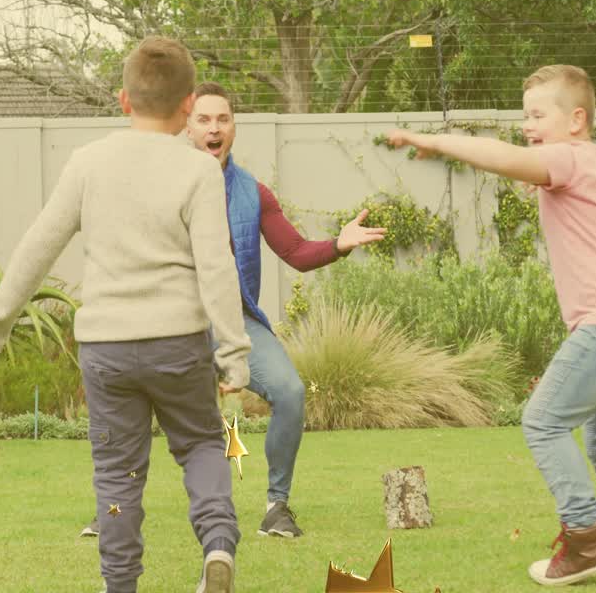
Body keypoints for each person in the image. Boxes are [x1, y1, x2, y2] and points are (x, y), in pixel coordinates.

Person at [0, 37, 252, 593]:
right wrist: (234, 353)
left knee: (118, 476)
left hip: (107, 350)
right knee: (200, 444)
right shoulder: (200, 171)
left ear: (124, 100)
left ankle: (120, 585)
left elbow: (38, 246)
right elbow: (216, 267)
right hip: (178, 343)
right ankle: (217, 545)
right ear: (187, 104)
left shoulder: (88, 164)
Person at [386, 65, 596, 587]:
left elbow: (505, 160)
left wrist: (433, 139)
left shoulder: (566, 158)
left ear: (577, 119)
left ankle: (587, 540)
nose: (526, 125)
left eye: (538, 114)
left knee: (542, 423)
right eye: (525, 115)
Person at [83, 81, 385, 540]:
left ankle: (276, 507)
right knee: (132, 407)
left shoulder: (252, 193)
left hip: (234, 322)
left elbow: (297, 251)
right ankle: (116, 511)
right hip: (167, 321)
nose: (214, 127)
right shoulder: (157, 183)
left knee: (290, 392)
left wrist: (338, 245)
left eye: (222, 119)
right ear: (186, 127)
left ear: (234, 129)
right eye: (203, 119)